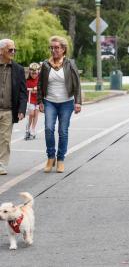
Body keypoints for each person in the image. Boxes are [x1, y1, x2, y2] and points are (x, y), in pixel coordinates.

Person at [38, 36, 82, 173]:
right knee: (48, 129)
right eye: (51, 47)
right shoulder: (45, 65)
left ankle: (61, 159)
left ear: (63, 49)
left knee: (63, 131)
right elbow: (40, 84)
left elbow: (77, 84)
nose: (54, 50)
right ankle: (51, 157)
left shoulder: (70, 64)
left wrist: (78, 102)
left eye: (57, 47)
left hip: (66, 103)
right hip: (49, 101)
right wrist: (40, 101)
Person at [0, 39, 27, 175]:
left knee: (5, 139)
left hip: (8, 110)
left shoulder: (18, 69)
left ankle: (2, 165)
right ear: (1, 51)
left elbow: (23, 92)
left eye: (14, 50)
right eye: (10, 49)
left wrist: (22, 109)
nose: (13, 52)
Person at [25, 63, 40, 140]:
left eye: (35, 73)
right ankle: (27, 128)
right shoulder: (27, 80)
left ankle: (33, 129)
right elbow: (25, 89)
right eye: (32, 73)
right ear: (30, 72)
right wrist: (30, 89)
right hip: (30, 99)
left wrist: (37, 88)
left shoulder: (40, 79)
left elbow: (42, 87)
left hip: (38, 99)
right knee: (31, 114)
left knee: (36, 114)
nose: (34, 74)